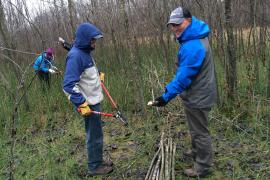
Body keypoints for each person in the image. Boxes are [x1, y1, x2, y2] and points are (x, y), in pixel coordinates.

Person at [149, 7, 217, 177]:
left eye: (178, 24)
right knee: (196, 128)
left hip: (199, 96)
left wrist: (165, 97)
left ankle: (202, 167)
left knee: (200, 132)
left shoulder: (193, 46)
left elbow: (183, 78)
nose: (174, 28)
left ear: (189, 20)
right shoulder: (194, 37)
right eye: (172, 25)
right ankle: (196, 152)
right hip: (199, 92)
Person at [62, 23, 113, 176]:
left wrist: (97, 78)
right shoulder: (75, 56)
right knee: (94, 135)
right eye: (92, 40)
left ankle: (98, 160)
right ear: (85, 39)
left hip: (94, 100)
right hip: (88, 104)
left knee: (97, 134)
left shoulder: (84, 52)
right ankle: (94, 167)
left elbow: (84, 75)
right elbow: (68, 86)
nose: (94, 43)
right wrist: (81, 103)